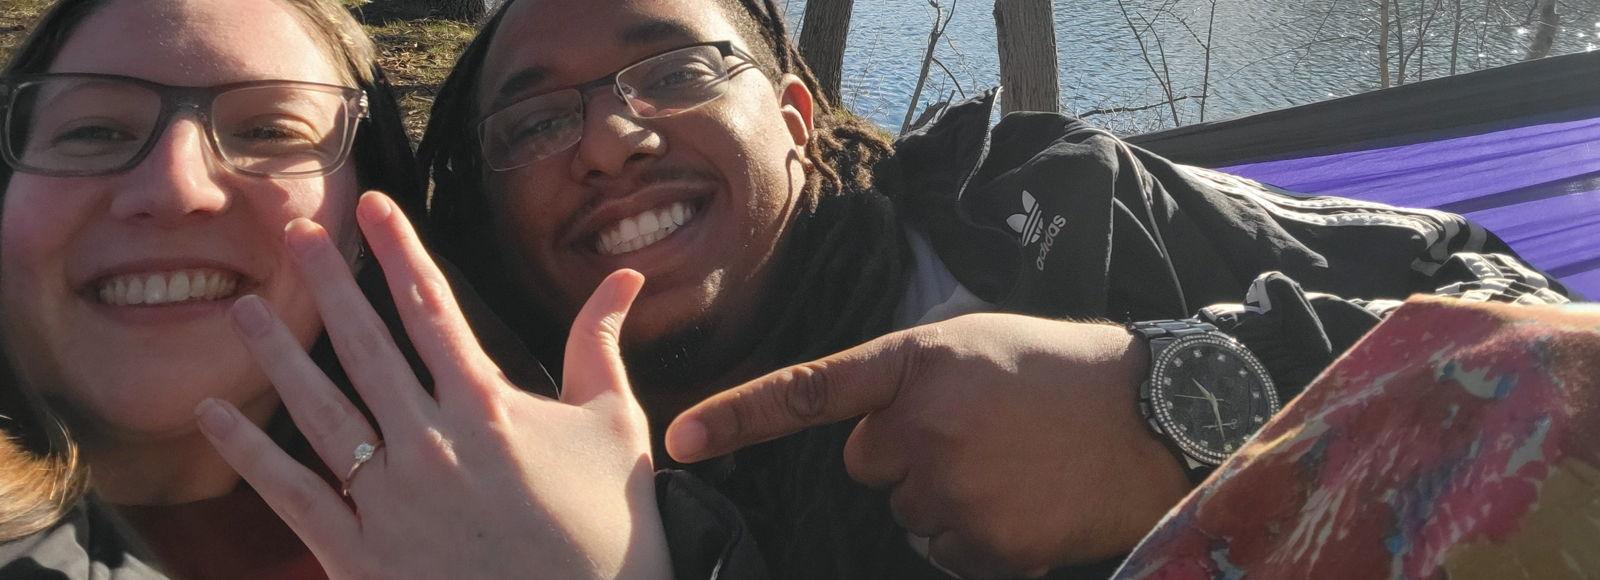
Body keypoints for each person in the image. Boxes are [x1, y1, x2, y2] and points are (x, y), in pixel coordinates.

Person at [416, 0, 1578, 578]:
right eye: (535, 119)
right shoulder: (447, 477)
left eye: (673, 70)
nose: (612, 139)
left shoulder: (1052, 222)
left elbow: (1540, 333)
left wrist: (1172, 405)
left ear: (796, 118)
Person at [0, 0, 677, 578]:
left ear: (365, 220)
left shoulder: (545, 514)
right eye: (93, 131)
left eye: (269, 131)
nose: (176, 187)